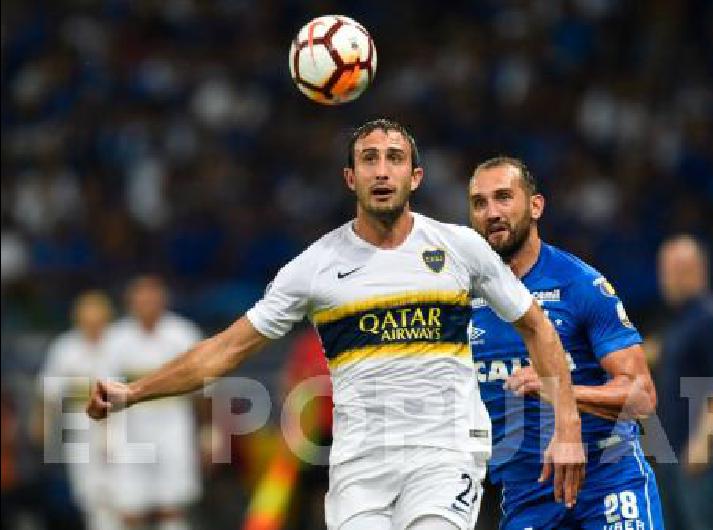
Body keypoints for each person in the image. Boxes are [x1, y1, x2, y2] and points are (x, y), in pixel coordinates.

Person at [87, 119, 585, 530]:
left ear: (416, 177)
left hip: (445, 450)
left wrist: (567, 427)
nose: (382, 170)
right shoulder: (314, 267)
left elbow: (538, 328)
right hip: (359, 465)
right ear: (351, 178)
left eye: (395, 158)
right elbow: (224, 350)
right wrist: (134, 392)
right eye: (369, 158)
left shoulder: (460, 247)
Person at [467, 156, 664, 529]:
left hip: (608, 480)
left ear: (536, 206)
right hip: (525, 494)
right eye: (480, 203)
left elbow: (642, 397)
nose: (492, 212)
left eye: (504, 197)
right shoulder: (461, 298)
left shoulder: (580, 285)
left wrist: (558, 390)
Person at [104, 276, 204, 530]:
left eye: (152, 297)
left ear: (163, 300)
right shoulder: (115, 338)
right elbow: (104, 391)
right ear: (130, 302)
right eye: (141, 298)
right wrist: (106, 433)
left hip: (174, 425)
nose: (147, 303)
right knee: (130, 506)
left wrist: (207, 431)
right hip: (130, 427)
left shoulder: (183, 333)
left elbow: (203, 390)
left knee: (173, 505)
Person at [654, 235, 713, 530]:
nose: (663, 280)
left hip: (696, 449)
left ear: (691, 270)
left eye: (668, 271)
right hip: (672, 447)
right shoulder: (681, 320)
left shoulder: (712, 317)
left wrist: (704, 441)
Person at [37, 290, 120, 530]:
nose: (93, 325)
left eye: (98, 319)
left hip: (124, 428)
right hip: (81, 429)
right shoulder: (64, 348)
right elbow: (49, 393)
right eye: (87, 319)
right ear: (77, 318)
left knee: (126, 497)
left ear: (108, 318)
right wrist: (43, 426)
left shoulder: (121, 341)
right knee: (89, 497)